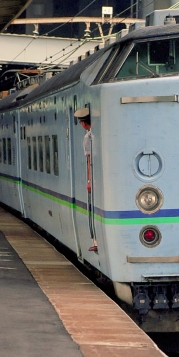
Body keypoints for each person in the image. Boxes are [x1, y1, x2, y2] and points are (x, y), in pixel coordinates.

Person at [75, 107, 98, 253]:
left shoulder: (88, 137)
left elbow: (89, 160)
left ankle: (95, 241)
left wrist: (89, 181)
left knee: (92, 208)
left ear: (84, 124)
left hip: (96, 179)